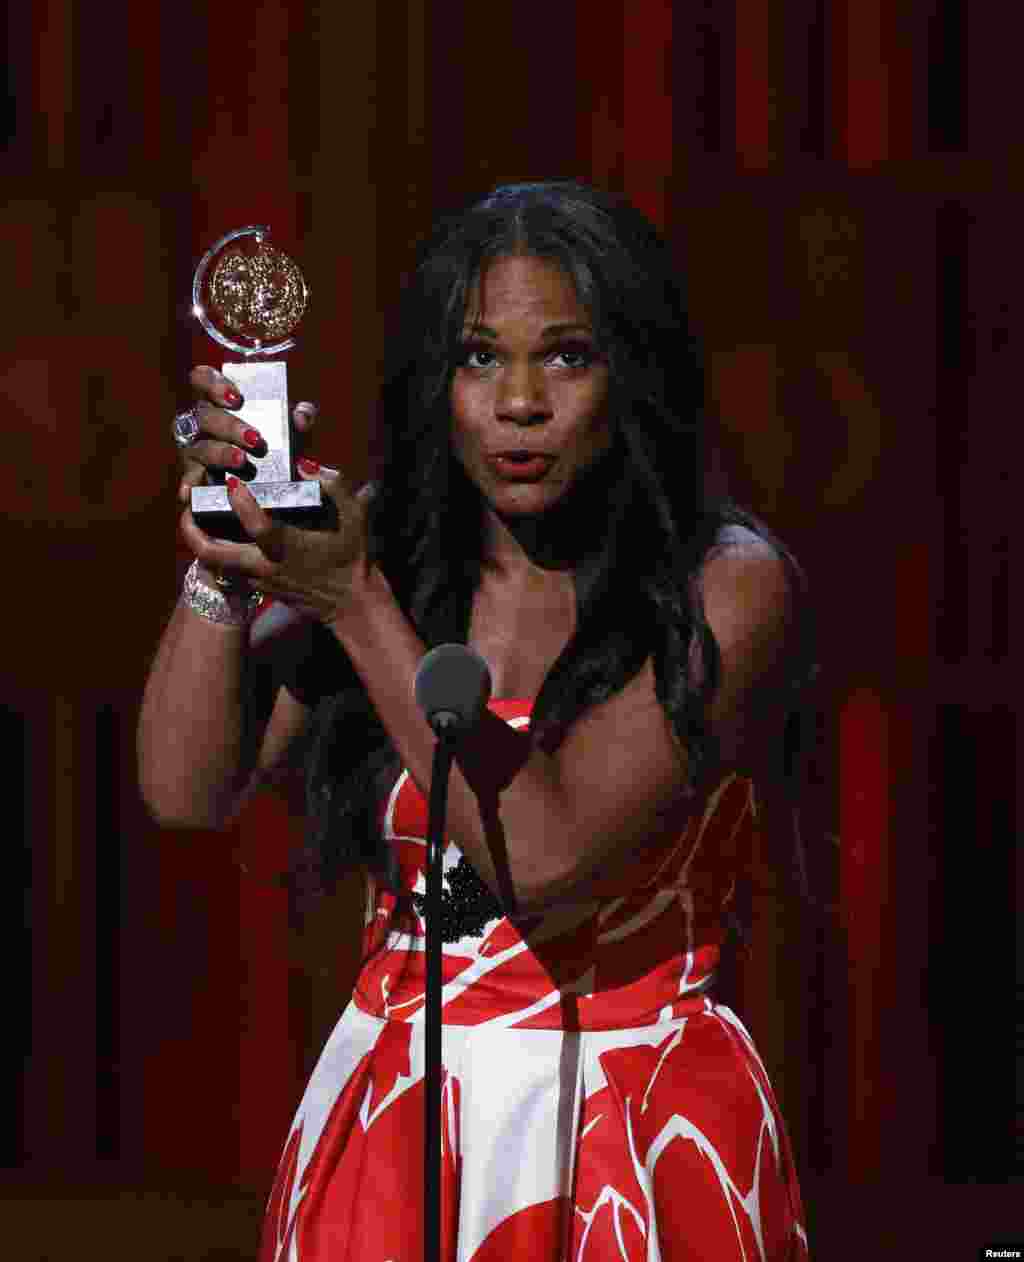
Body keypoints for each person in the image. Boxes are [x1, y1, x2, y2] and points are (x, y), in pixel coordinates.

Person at [139, 181, 815, 1260]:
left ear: (634, 369)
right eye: (477, 358)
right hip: (398, 1113)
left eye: (566, 357)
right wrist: (222, 562)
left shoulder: (724, 585)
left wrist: (354, 603)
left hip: (626, 1119)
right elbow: (185, 791)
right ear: (435, 381)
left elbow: (542, 855)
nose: (518, 401)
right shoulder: (394, 559)